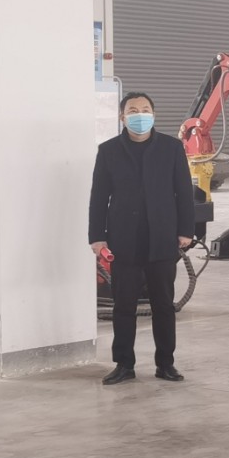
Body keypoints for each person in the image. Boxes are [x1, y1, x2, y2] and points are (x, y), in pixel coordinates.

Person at [88, 92, 196, 385]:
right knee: (124, 306)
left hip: (162, 238)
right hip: (123, 239)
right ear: (122, 117)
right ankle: (124, 364)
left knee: (164, 305)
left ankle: (166, 364)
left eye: (145, 109)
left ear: (153, 115)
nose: (139, 114)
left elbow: (184, 192)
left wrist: (186, 230)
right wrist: (97, 237)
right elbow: (99, 197)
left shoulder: (171, 148)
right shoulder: (109, 151)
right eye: (133, 110)